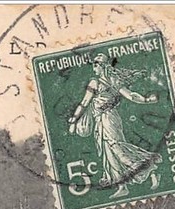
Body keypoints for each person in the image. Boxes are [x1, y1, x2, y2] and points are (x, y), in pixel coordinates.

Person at [67, 53, 162, 199]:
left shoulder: (95, 82)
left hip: (107, 120)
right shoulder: (114, 80)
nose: (94, 68)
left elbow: (84, 103)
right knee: (109, 152)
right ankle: (122, 186)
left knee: (116, 148)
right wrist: (146, 100)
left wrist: (74, 120)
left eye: (96, 65)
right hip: (106, 119)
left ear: (102, 66)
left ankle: (149, 169)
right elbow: (131, 95)